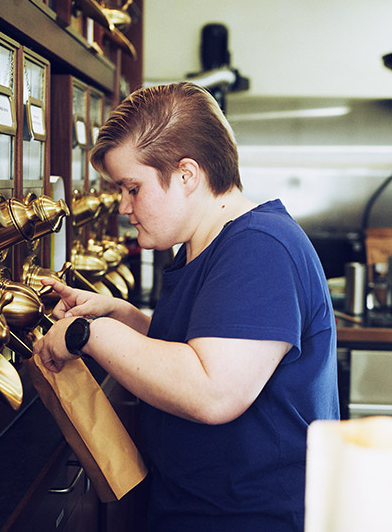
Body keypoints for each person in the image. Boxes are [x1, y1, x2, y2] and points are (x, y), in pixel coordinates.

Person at [33, 82, 339, 532]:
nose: (123, 206)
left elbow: (213, 391)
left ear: (186, 175)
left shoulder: (260, 246)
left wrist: (91, 335)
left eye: (132, 188)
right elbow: (207, 344)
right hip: (198, 508)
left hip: (254, 519)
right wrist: (124, 316)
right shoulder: (204, 246)